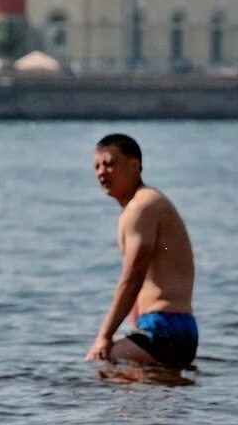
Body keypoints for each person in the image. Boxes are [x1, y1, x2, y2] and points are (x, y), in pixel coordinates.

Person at [84, 133, 198, 369]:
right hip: (174, 328)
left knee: (99, 365)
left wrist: (104, 336)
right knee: (143, 390)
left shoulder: (142, 206)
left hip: (165, 326)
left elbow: (132, 278)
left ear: (135, 165)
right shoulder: (141, 206)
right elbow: (142, 281)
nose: (101, 172)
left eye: (109, 163)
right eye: (96, 166)